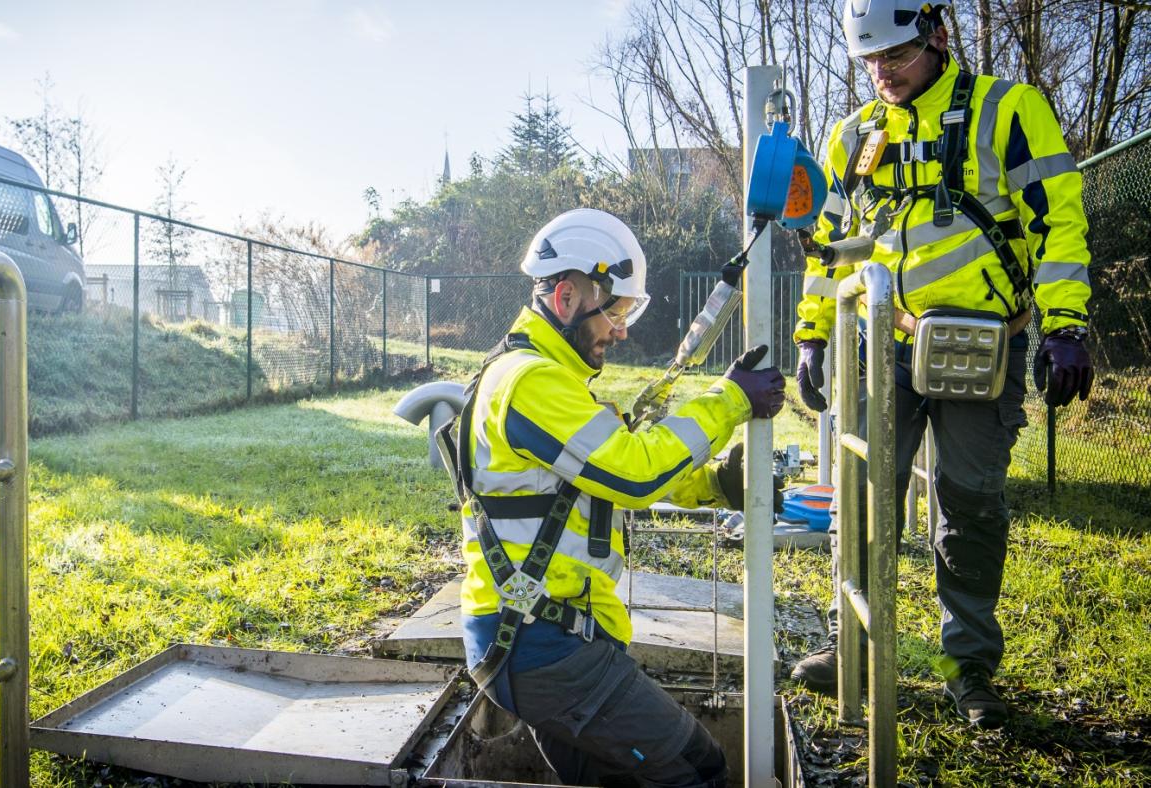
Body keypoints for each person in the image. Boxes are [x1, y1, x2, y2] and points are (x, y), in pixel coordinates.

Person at [788, 0, 1094, 729]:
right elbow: (831, 244)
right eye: (870, 60)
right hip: (884, 341)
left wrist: (1066, 324)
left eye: (896, 55)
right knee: (865, 498)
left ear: (937, 35)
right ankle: (854, 645)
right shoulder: (854, 134)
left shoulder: (1008, 110)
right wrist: (812, 334)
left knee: (969, 502)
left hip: (983, 344)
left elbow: (1058, 219)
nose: (883, 72)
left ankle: (970, 668)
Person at [450, 208, 786, 787]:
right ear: (566, 298)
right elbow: (633, 472)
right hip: (540, 644)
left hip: (542, 638)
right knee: (697, 767)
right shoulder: (530, 383)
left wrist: (716, 485)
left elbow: (605, 474)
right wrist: (730, 401)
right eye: (616, 312)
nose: (622, 330)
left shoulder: (550, 382)